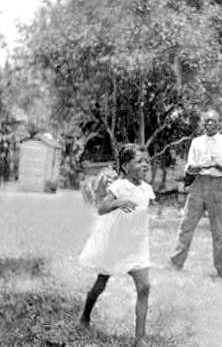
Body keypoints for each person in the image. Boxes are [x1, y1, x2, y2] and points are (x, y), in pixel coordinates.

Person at [79, 144, 155, 347]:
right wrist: (118, 202)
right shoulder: (119, 186)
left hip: (136, 244)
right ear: (126, 166)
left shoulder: (147, 189)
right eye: (139, 161)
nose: (145, 164)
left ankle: (140, 339)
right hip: (114, 243)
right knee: (101, 283)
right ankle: (85, 315)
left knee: (144, 287)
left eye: (146, 161)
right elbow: (102, 208)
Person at [169, 109, 222, 277]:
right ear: (203, 123)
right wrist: (200, 166)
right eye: (207, 121)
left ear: (219, 123)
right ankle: (175, 263)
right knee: (186, 225)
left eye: (213, 121)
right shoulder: (196, 142)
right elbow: (190, 167)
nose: (210, 124)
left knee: (218, 230)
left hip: (216, 185)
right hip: (198, 184)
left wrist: (217, 165)